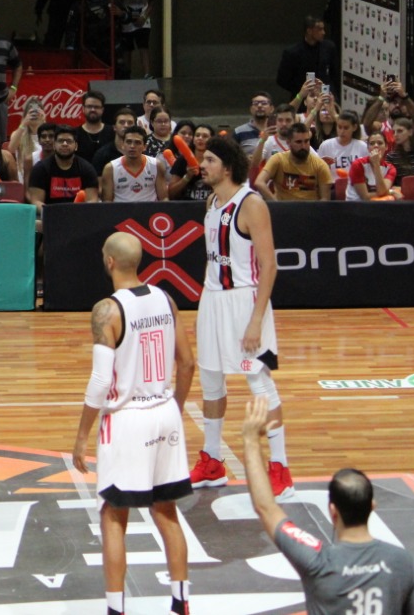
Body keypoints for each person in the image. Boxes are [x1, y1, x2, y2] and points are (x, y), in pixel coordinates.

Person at [71, 233, 193, 615]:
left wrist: (81, 435)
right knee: (166, 510)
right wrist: (173, 408)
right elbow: (187, 363)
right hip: (165, 412)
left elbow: (100, 382)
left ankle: (115, 609)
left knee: (112, 514)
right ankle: (181, 602)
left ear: (109, 262)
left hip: (127, 421)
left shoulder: (106, 311)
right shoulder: (166, 299)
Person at [242, 396, 414, 614]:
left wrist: (251, 441)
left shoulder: (317, 560)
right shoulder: (402, 561)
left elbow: (266, 508)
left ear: (332, 511)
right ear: (372, 506)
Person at [191, 135, 294, 499]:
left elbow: (269, 266)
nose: (202, 165)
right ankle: (212, 459)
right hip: (213, 300)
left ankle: (279, 466)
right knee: (211, 383)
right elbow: (212, 258)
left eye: (209, 160)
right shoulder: (211, 202)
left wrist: (255, 320)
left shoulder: (251, 204)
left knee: (259, 384)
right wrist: (206, 306)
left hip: (245, 301)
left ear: (228, 167)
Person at [256, 122, 333, 202]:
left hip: (310, 211)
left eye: (306, 141)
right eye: (298, 142)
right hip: (284, 210)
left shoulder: (320, 165)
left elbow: (325, 199)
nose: (303, 146)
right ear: (288, 143)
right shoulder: (278, 160)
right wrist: (276, 205)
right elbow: (259, 182)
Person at [113, 0, 154, 78]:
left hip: (143, 12)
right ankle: (127, 74)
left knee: (143, 45)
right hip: (128, 11)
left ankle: (147, 74)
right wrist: (121, 13)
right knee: (127, 47)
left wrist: (145, 15)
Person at [276, 16, 337, 98]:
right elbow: (282, 80)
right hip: (302, 98)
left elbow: (335, 74)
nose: (323, 32)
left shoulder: (328, 48)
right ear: (309, 31)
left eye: (323, 29)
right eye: (319, 29)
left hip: (324, 95)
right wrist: (301, 90)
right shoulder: (292, 52)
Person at [101, 126, 167, 202]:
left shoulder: (156, 165)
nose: (132, 146)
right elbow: (107, 202)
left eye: (137, 142)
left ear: (145, 147)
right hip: (121, 212)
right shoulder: (110, 169)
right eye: (129, 142)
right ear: (123, 144)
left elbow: (164, 199)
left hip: (149, 212)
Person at [168, 123, 215, 201]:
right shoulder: (182, 161)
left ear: (212, 139)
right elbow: (171, 193)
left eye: (205, 136)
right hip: (186, 206)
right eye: (197, 135)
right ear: (193, 139)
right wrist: (187, 177)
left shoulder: (217, 161)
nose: (200, 138)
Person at [344, 133, 398, 201]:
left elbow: (382, 191)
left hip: (378, 206)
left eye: (380, 143)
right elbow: (365, 197)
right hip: (356, 205)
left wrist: (376, 165)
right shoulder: (358, 164)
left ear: (386, 146)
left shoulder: (390, 168)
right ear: (368, 148)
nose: (376, 146)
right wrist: (391, 192)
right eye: (372, 143)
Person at [75, 90, 115, 164]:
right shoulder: (75, 133)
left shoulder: (113, 132)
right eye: (89, 106)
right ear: (83, 109)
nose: (93, 110)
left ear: (102, 110)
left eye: (96, 107)